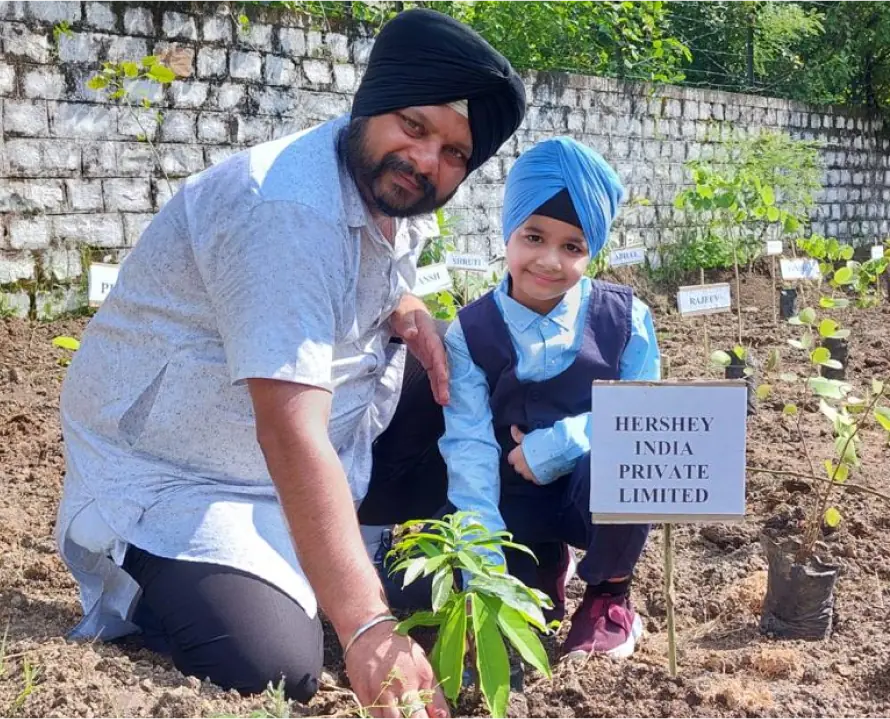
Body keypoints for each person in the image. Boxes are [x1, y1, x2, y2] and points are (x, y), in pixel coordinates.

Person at [53, 8, 525, 715]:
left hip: (318, 433)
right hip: (182, 471)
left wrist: (406, 309)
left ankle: (355, 566)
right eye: (415, 126)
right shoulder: (284, 207)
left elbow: (350, 279)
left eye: (455, 153)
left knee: (467, 387)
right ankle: (152, 568)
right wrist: (364, 624)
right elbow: (287, 431)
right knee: (270, 662)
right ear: (368, 105)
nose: (428, 160)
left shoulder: (386, 191)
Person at [437, 137, 660, 660]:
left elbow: (647, 418)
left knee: (629, 459)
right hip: (512, 496)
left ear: (592, 251)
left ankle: (607, 596)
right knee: (509, 614)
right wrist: (483, 573)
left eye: (573, 247)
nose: (549, 260)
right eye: (533, 236)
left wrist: (559, 443)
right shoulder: (470, 332)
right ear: (508, 232)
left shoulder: (626, 321)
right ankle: (538, 566)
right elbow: (468, 444)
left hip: (591, 497)